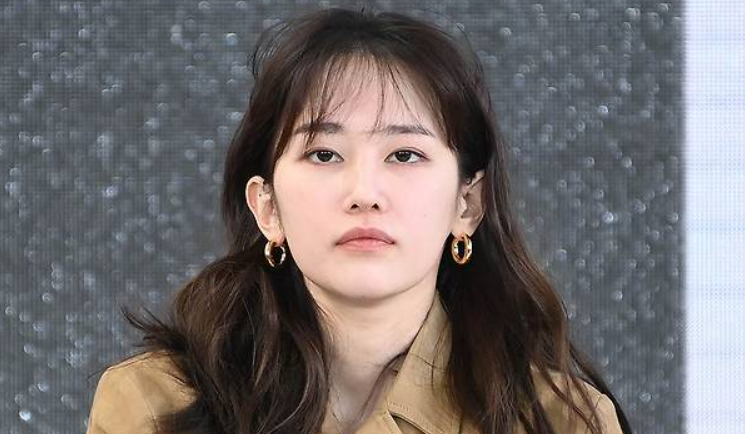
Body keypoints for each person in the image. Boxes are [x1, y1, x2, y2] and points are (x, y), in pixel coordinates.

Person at [85, 6, 634, 434]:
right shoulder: (153, 404)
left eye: (404, 155)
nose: (365, 194)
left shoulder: (559, 420)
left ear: (466, 205)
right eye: (324, 154)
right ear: (267, 207)